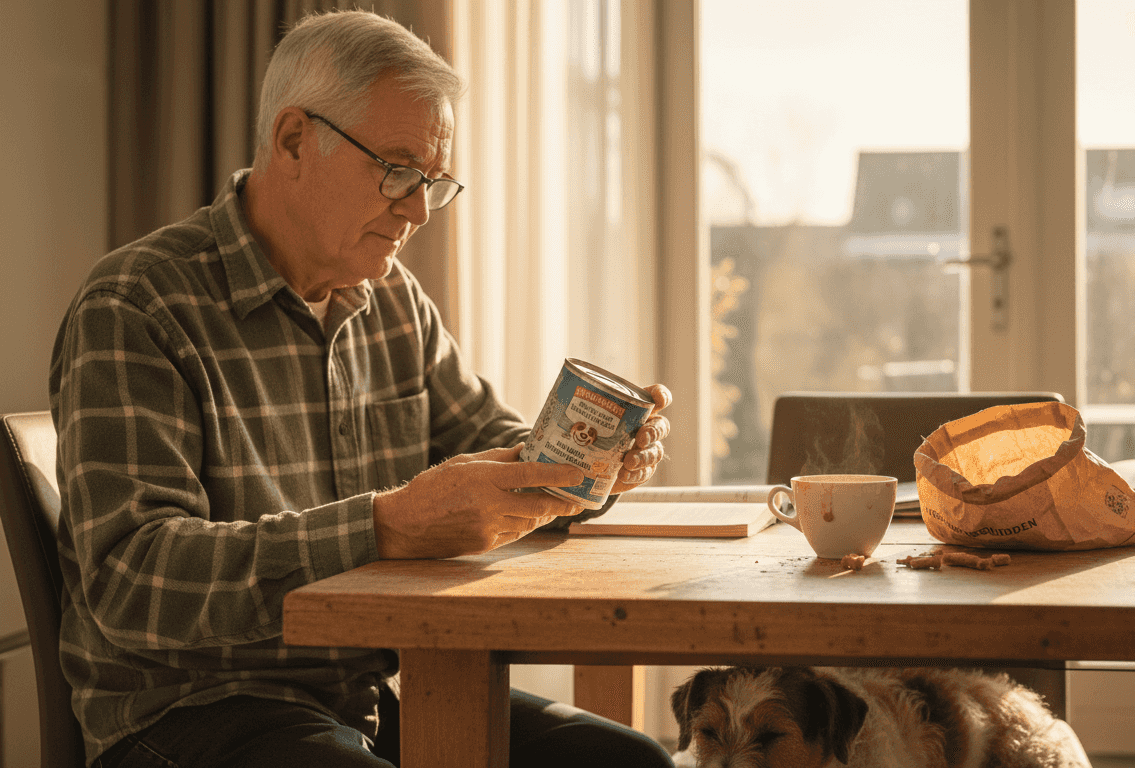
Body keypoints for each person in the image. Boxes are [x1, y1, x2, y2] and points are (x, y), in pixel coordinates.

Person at [49, 10, 672, 768]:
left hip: (370, 693)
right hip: (193, 711)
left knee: (626, 761)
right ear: (293, 141)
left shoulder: (393, 302)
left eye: (433, 183)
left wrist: (589, 465)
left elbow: (493, 447)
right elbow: (133, 579)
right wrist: (387, 526)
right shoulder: (137, 304)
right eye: (398, 170)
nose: (418, 211)